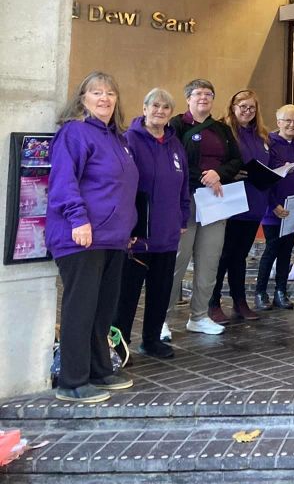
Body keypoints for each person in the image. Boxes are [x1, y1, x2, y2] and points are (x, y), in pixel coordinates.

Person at [48, 71, 139, 402]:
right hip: (82, 237)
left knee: (102, 310)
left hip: (113, 238)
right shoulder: (75, 133)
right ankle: (73, 381)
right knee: (81, 309)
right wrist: (78, 220)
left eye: (110, 93)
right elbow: (63, 181)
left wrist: (128, 229)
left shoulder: (118, 138)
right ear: (82, 99)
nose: (105, 98)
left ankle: (100, 370)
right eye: (96, 92)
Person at [114, 88, 190, 360]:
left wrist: (182, 218)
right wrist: (128, 228)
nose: (160, 111)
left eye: (166, 108)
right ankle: (118, 346)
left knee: (160, 293)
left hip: (168, 233)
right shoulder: (128, 140)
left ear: (171, 114)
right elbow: (123, 186)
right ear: (144, 108)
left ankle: (152, 340)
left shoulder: (175, 144)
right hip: (139, 236)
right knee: (127, 296)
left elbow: (184, 186)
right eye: (155, 106)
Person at [165, 79, 243, 338]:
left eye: (208, 94)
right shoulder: (176, 125)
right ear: (187, 98)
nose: (203, 98)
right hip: (185, 199)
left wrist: (218, 173)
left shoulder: (222, 129)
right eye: (198, 93)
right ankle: (160, 319)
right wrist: (203, 176)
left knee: (209, 261)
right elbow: (173, 159)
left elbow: (236, 160)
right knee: (178, 260)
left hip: (216, 201)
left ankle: (198, 316)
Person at [209, 89, 269, 324]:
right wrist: (229, 174)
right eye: (242, 106)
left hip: (254, 202)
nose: (247, 111)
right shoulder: (223, 132)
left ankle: (239, 301)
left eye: (251, 108)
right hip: (231, 201)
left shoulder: (262, 136)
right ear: (233, 107)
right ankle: (213, 302)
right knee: (223, 255)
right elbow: (216, 164)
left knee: (240, 256)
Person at [254, 105, 294, 310]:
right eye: (288, 121)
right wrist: (273, 205)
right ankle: (260, 292)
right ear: (278, 122)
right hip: (274, 211)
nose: (292, 125)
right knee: (271, 250)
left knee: (286, 252)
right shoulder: (268, 144)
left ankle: (280, 292)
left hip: (293, 210)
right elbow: (264, 178)